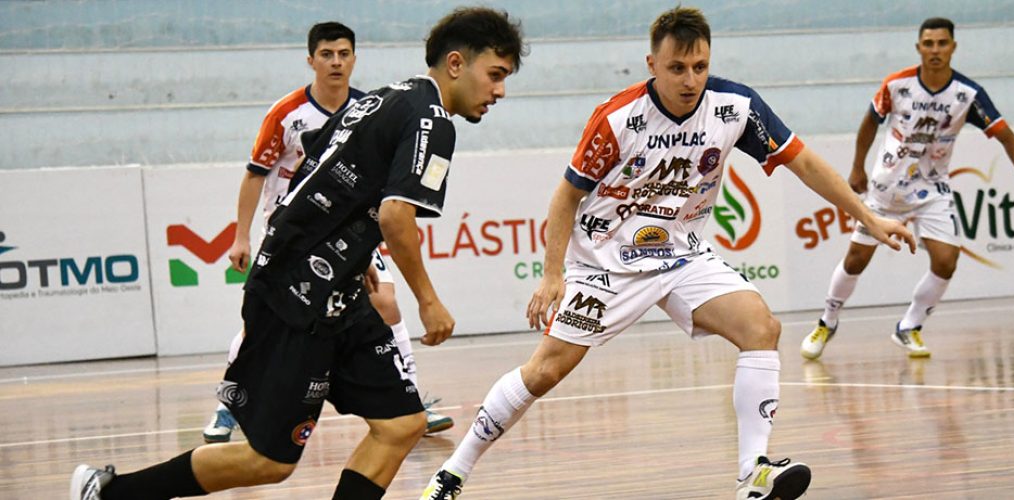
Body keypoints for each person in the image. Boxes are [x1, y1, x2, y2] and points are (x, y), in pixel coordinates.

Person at [420, 7, 914, 500]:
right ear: (652, 64)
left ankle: (753, 472)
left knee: (762, 327)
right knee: (545, 371)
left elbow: (801, 160)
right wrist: (553, 276)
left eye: (700, 66)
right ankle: (452, 474)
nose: (690, 79)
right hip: (605, 263)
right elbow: (566, 196)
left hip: (681, 257)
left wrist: (868, 216)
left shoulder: (735, 107)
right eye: (677, 68)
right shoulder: (619, 117)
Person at [70, 7, 526, 499]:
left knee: (401, 423)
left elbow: (317, 164)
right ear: (456, 63)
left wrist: (355, 251)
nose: (499, 91)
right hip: (298, 297)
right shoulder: (433, 122)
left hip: (337, 290)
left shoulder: (379, 99)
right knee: (268, 460)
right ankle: (108, 493)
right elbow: (397, 217)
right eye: (495, 75)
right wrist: (428, 300)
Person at [202, 21, 452, 444]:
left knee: (386, 300)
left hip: (350, 232)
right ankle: (230, 402)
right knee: (269, 319)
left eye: (344, 54)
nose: (336, 62)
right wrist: (241, 236)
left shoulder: (368, 105)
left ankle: (410, 400)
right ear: (311, 60)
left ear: (354, 58)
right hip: (296, 235)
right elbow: (254, 176)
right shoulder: (286, 114)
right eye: (326, 54)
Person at [799, 17, 1014, 361]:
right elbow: (870, 122)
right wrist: (857, 167)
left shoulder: (968, 95)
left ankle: (909, 326)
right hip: (886, 189)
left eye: (942, 43)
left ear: (953, 47)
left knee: (946, 261)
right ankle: (828, 320)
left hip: (932, 189)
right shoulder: (897, 85)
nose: (935, 50)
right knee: (856, 260)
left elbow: (1007, 135)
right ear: (918, 48)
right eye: (928, 44)